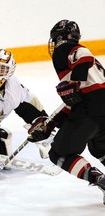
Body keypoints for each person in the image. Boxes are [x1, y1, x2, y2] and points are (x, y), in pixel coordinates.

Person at [28, 19, 105, 204]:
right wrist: (51, 124)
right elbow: (77, 101)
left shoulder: (64, 49)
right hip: (97, 109)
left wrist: (73, 83)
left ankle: (100, 180)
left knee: (59, 153)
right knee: (100, 150)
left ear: (59, 38)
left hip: (91, 111)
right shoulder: (92, 70)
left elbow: (83, 55)